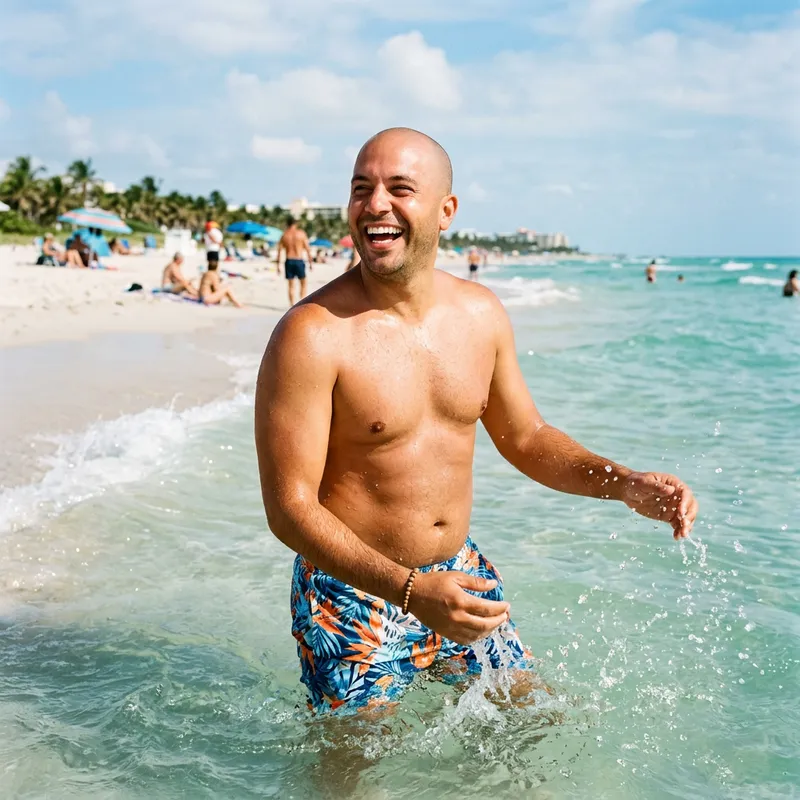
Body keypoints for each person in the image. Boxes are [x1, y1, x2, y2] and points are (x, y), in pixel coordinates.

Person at [254, 127, 699, 715]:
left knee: (536, 721)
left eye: (399, 188)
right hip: (354, 594)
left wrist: (625, 484)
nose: (375, 204)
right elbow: (289, 508)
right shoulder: (311, 335)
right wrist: (409, 591)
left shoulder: (480, 315)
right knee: (357, 769)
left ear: (446, 211)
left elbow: (528, 439)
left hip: (457, 577)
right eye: (361, 189)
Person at [276, 218, 313, 306]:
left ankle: (292, 305)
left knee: (291, 285)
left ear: (287, 224)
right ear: (295, 224)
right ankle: (302, 302)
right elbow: (308, 249)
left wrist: (278, 265)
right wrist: (311, 263)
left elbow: (279, 251)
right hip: (299, 261)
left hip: (289, 261)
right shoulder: (301, 234)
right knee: (303, 283)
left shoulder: (284, 235)